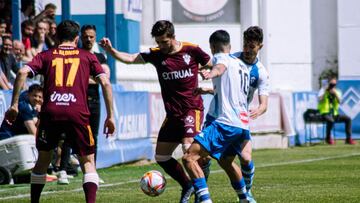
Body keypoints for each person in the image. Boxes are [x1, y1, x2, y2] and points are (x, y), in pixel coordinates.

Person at [4, 20, 115, 203]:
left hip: (51, 112)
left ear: (56, 37)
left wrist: (14, 105)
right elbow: (105, 82)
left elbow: (23, 72)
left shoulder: (46, 55)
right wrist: (110, 116)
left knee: (43, 160)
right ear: (77, 38)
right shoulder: (87, 56)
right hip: (77, 112)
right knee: (88, 162)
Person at [100, 20, 211, 203]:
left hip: (192, 109)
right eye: (158, 42)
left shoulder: (192, 50)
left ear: (173, 37)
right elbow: (130, 59)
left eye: (164, 42)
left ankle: (202, 195)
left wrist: (209, 74)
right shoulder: (157, 54)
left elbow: (214, 65)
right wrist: (111, 51)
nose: (161, 46)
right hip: (173, 114)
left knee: (187, 149)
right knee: (161, 156)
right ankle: (187, 185)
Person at [196, 26, 269, 202]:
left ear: (260, 46)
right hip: (218, 115)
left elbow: (264, 104)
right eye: (245, 44)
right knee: (202, 158)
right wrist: (208, 84)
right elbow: (220, 72)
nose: (247, 49)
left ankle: (247, 191)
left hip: (240, 117)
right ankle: (202, 193)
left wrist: (258, 110)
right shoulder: (232, 58)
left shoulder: (261, 72)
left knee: (244, 157)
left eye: (252, 46)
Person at [182, 30, 251, 203]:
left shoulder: (221, 58)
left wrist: (209, 73)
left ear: (212, 47)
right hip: (242, 125)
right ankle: (245, 199)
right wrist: (208, 89)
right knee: (226, 162)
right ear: (230, 46)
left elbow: (219, 68)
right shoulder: (241, 64)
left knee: (189, 158)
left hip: (225, 123)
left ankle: (205, 200)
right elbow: (232, 91)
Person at [318, 76, 356, 145]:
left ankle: (348, 139)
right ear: (328, 83)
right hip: (325, 114)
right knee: (330, 120)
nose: (332, 85)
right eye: (331, 84)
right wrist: (326, 91)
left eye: (334, 84)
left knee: (348, 119)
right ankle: (328, 138)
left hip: (335, 114)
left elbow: (340, 102)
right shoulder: (323, 90)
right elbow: (320, 100)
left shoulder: (338, 91)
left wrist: (335, 94)